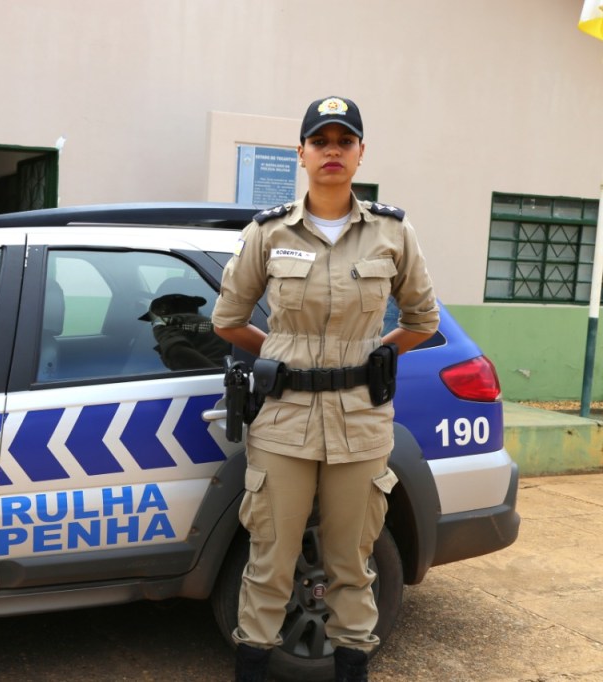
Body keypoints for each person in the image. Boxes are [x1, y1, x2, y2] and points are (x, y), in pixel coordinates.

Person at [211, 96, 439, 682]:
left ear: (361, 153)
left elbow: (423, 320)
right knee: (270, 561)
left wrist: (378, 356)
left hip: (360, 420)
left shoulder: (392, 232)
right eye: (320, 141)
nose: (332, 151)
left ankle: (352, 669)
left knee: (351, 564)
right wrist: (280, 355)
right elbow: (228, 319)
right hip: (283, 419)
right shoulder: (268, 232)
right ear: (302, 153)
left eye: (344, 141)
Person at [138, 292, 229, 370]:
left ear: (163, 310)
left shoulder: (163, 322)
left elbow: (177, 352)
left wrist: (212, 375)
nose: (153, 323)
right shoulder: (214, 325)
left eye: (153, 318)